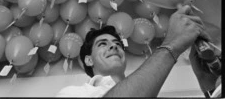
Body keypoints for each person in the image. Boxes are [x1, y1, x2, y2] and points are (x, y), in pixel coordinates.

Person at [56, 5, 220, 97]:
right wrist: (172, 45)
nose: (114, 46)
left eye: (117, 44)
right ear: (88, 60)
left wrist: (211, 88)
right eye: (102, 44)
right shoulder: (72, 93)